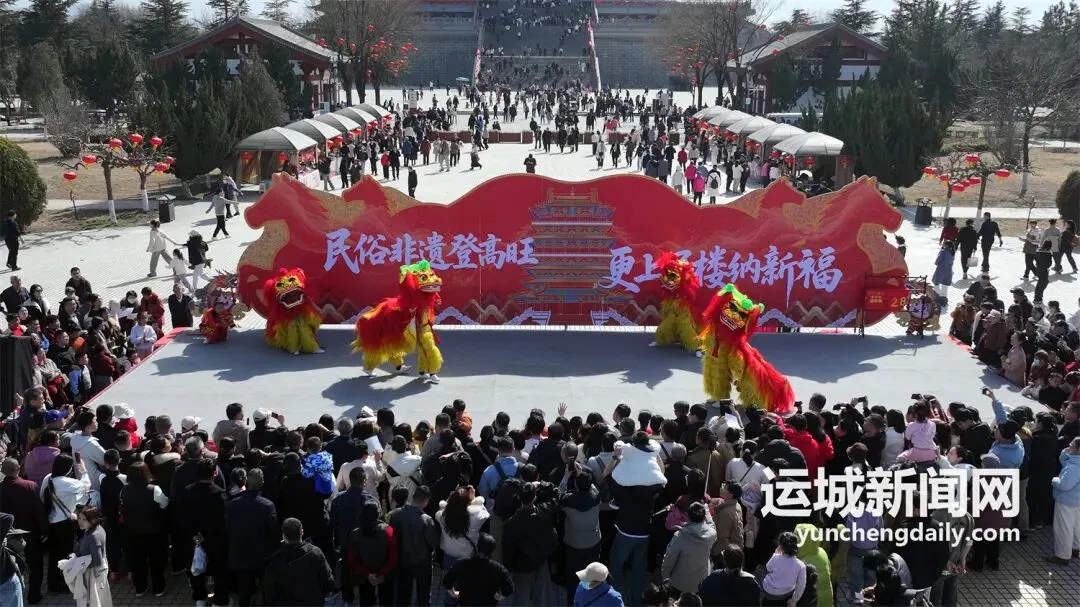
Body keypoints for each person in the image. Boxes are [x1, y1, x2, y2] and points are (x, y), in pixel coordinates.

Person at [225, 468, 278, 606]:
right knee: (265, 590)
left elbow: (227, 529)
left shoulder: (232, 505)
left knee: (244, 592)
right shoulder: (268, 506)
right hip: (262, 556)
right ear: (262, 483)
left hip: (240, 555)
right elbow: (273, 533)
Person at [42, 454, 91, 594]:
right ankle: (63, 583)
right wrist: (84, 471)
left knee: (53, 555)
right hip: (64, 523)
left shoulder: (48, 478)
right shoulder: (66, 482)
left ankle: (52, 584)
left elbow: (42, 496)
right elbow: (86, 486)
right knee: (65, 555)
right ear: (68, 468)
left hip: (51, 522)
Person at [119, 462, 169, 597]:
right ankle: (158, 588)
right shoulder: (154, 489)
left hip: (133, 533)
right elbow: (165, 503)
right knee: (156, 562)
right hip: (154, 533)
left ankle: (140, 588)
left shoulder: (124, 490)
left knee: (138, 563)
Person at [1, 457, 47, 603]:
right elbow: (39, 511)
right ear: (19, 469)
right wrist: (45, 530)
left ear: (2, 471)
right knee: (35, 565)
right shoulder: (29, 486)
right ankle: (34, 595)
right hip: (30, 533)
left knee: (11, 566)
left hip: (6, 535)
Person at [263, 517, 336, 606]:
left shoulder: (275, 560)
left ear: (283, 535)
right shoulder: (315, 553)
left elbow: (270, 591)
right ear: (302, 532)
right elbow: (328, 582)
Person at [389, 485, 439, 607]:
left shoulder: (396, 514)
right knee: (423, 595)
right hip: (423, 563)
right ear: (426, 501)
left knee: (403, 594)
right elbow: (433, 542)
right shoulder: (427, 519)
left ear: (412, 496)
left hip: (403, 561)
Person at [441, 532, 514, 606]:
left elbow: (447, 581)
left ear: (477, 547)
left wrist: (453, 593)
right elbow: (509, 588)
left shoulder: (462, 563)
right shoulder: (498, 568)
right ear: (492, 550)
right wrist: (499, 596)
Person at [661, 501, 717, 596]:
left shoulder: (679, 536)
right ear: (704, 517)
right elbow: (712, 525)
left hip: (680, 583)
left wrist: (665, 576)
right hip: (701, 582)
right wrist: (707, 510)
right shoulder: (712, 534)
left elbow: (670, 558)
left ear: (688, 516)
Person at [348, 501, 397, 607]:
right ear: (378, 514)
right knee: (387, 601)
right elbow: (393, 558)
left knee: (366, 601)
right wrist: (381, 573)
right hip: (385, 575)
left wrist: (368, 574)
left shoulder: (355, 533)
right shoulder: (388, 531)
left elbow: (352, 560)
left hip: (364, 576)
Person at [1047, 437, 1080, 565]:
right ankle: (1075, 548)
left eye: (1072, 445)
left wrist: (1055, 480)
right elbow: (1064, 459)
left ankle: (1062, 555)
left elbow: (1064, 485)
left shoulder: (1073, 467)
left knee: (1063, 528)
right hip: (1077, 501)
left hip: (1066, 501)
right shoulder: (1074, 461)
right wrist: (1067, 451)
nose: (1069, 446)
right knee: (1076, 526)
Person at [73, 506, 112, 607]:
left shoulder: (94, 535)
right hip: (96, 571)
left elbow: (97, 560)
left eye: (84, 520)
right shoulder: (96, 528)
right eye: (79, 518)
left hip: (93, 573)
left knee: (94, 601)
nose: (80, 522)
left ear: (93, 520)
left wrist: (79, 564)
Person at [760, 531, 806, 607]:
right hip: (786, 594)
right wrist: (794, 600)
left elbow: (768, 568)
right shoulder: (801, 565)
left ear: (780, 547)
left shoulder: (775, 557)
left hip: (769, 591)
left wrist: (775, 553)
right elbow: (801, 585)